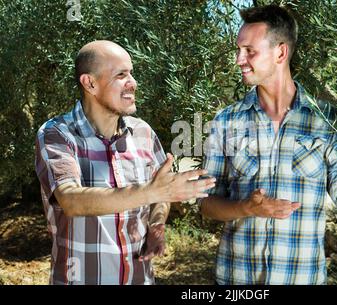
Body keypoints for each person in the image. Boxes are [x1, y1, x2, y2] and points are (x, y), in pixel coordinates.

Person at [200, 5, 337, 284]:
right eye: (238, 50)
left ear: (280, 52)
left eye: (249, 51)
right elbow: (207, 204)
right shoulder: (226, 120)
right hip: (236, 279)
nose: (238, 60)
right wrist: (247, 207)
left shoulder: (327, 120)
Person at [35, 40, 216, 285]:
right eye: (121, 75)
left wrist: (156, 223)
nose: (133, 83)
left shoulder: (144, 133)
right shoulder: (57, 134)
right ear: (90, 83)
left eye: (131, 73)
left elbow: (160, 191)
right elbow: (71, 200)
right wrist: (153, 191)